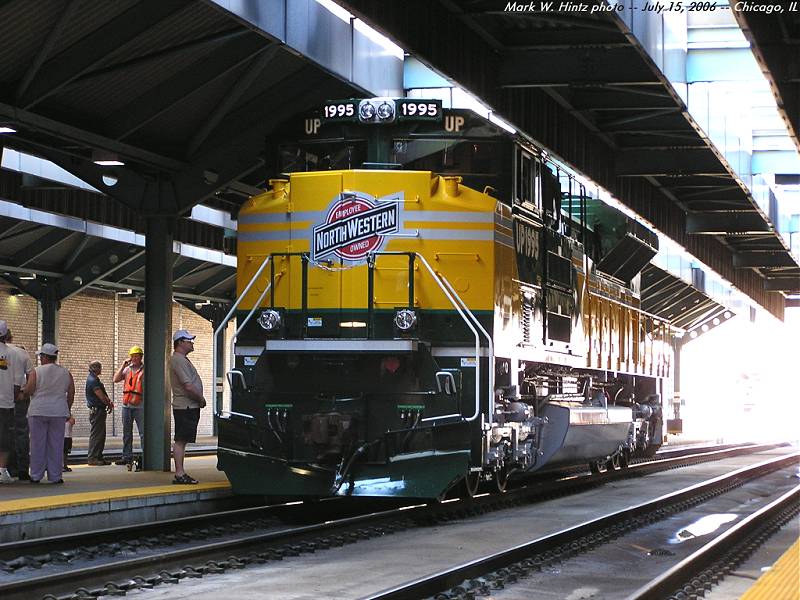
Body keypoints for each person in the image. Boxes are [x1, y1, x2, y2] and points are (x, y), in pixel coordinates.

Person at [24, 343, 74, 484]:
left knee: (37, 444)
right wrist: (67, 408)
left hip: (38, 411)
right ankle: (55, 476)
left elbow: (30, 389)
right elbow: (71, 392)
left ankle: (36, 475)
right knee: (56, 444)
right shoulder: (65, 372)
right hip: (58, 412)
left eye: (41, 356)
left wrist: (23, 393)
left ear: (45, 357)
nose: (40, 358)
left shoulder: (36, 371)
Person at [168, 330, 206, 484]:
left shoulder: (181, 360)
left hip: (187, 406)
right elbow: (188, 386)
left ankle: (180, 472)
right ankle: (179, 473)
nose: (192, 343)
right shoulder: (178, 360)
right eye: (189, 340)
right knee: (181, 440)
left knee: (182, 439)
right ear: (180, 342)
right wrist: (201, 399)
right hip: (186, 406)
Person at [6, 327, 32, 480]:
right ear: (11, 337)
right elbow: (32, 376)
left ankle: (7, 468)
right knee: (21, 433)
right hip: (20, 398)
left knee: (5, 433)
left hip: (3, 399)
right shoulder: (21, 353)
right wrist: (25, 393)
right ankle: (22, 469)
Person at [112, 346, 144, 470]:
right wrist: (123, 365)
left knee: (142, 433)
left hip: (140, 406)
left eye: (137, 356)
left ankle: (145, 455)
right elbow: (115, 379)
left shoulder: (145, 369)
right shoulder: (126, 370)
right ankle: (126, 456)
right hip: (127, 406)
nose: (135, 358)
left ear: (141, 357)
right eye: (133, 356)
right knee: (127, 433)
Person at [0, 323, 20, 483]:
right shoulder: (13, 354)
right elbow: (17, 382)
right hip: (6, 403)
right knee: (5, 438)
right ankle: (2, 471)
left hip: (6, 402)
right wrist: (13, 398)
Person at [85, 361, 113, 466]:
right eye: (99, 367)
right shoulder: (93, 380)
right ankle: (93, 458)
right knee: (97, 435)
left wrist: (108, 402)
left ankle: (98, 457)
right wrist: (108, 404)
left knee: (100, 435)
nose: (101, 369)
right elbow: (100, 395)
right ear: (95, 368)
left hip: (98, 410)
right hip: (97, 411)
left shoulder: (93, 379)